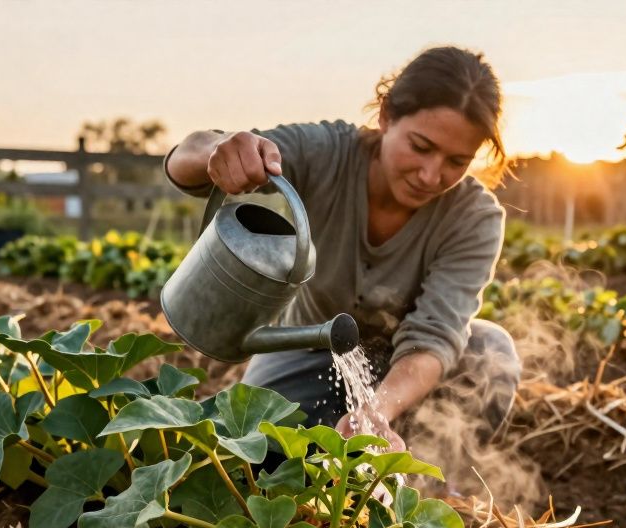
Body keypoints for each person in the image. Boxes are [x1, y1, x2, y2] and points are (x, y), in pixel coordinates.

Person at [163, 46, 521, 452]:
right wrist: (222, 148)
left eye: (457, 161)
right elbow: (186, 161)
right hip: (307, 353)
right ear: (386, 116)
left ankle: (426, 475)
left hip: (405, 374)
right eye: (421, 147)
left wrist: (377, 412)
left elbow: (434, 336)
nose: (430, 174)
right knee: (252, 442)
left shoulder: (473, 216)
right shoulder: (328, 153)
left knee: (491, 352)